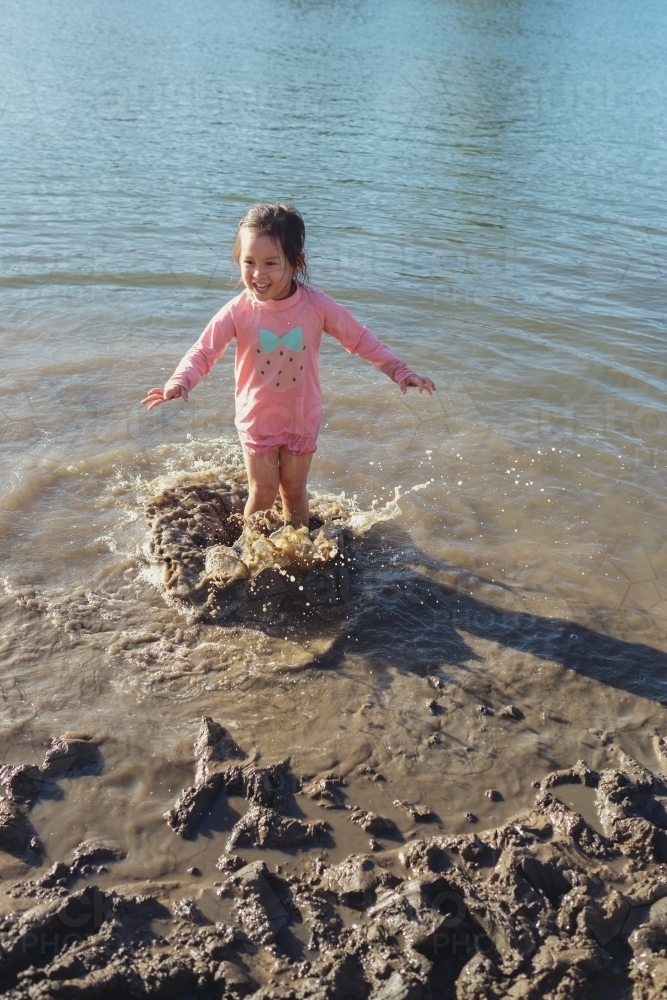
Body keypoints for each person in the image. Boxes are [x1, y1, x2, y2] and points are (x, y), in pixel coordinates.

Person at [141, 203, 435, 527]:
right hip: (257, 418)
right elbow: (204, 350)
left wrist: (399, 370)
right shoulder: (237, 310)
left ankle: (299, 547)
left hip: (302, 416)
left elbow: (360, 339)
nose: (257, 274)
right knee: (262, 492)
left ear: (295, 263)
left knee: (294, 490)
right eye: (248, 262)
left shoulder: (317, 305)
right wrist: (180, 380)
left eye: (270, 263)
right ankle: (250, 554)